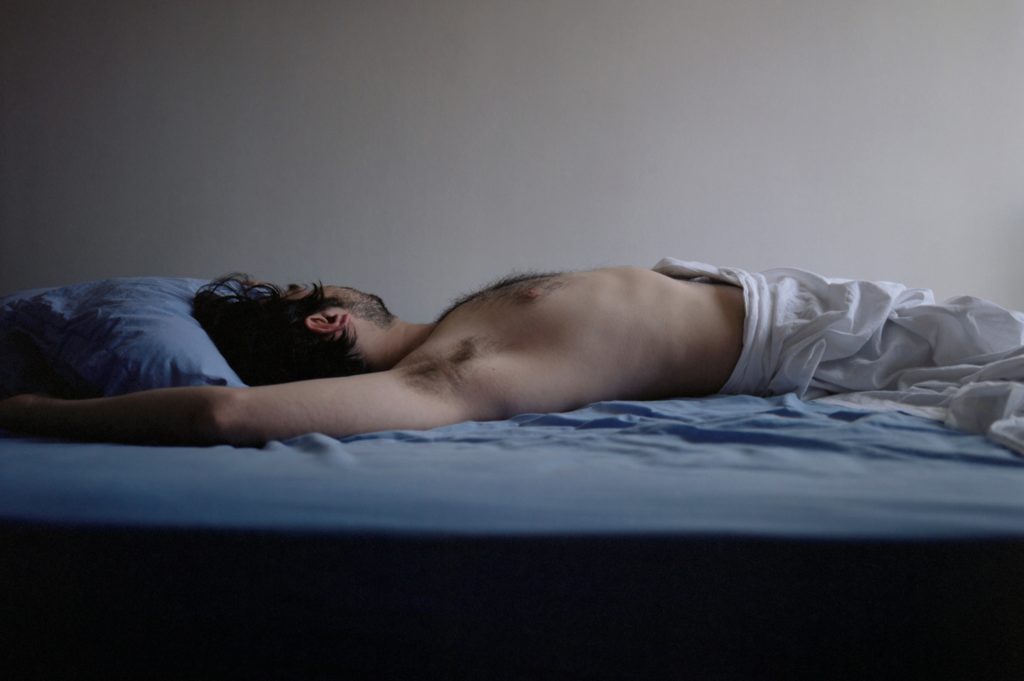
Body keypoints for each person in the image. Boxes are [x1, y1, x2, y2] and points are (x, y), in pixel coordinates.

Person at [1, 259, 1022, 448]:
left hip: (829, 308)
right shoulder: (446, 376)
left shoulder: (455, 332)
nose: (328, 281)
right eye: (308, 287)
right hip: (848, 353)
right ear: (324, 324)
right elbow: (219, 411)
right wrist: (33, 415)